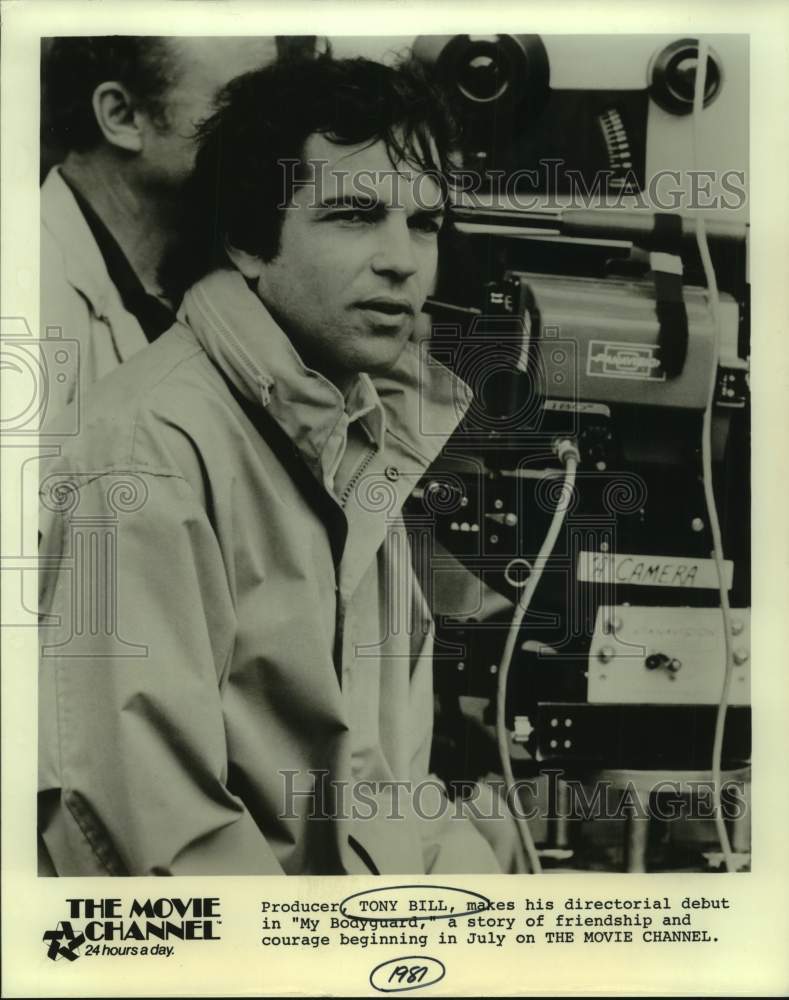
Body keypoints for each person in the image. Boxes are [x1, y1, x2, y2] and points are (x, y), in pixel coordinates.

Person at [38, 55, 520, 876]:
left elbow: (387, 791)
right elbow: (150, 835)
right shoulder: (150, 449)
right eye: (354, 215)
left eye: (424, 223)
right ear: (248, 241)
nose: (402, 260)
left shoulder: (364, 434)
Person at [40, 35, 276, 413]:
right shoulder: (27, 283)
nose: (277, 136)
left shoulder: (225, 272)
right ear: (123, 116)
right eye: (238, 103)